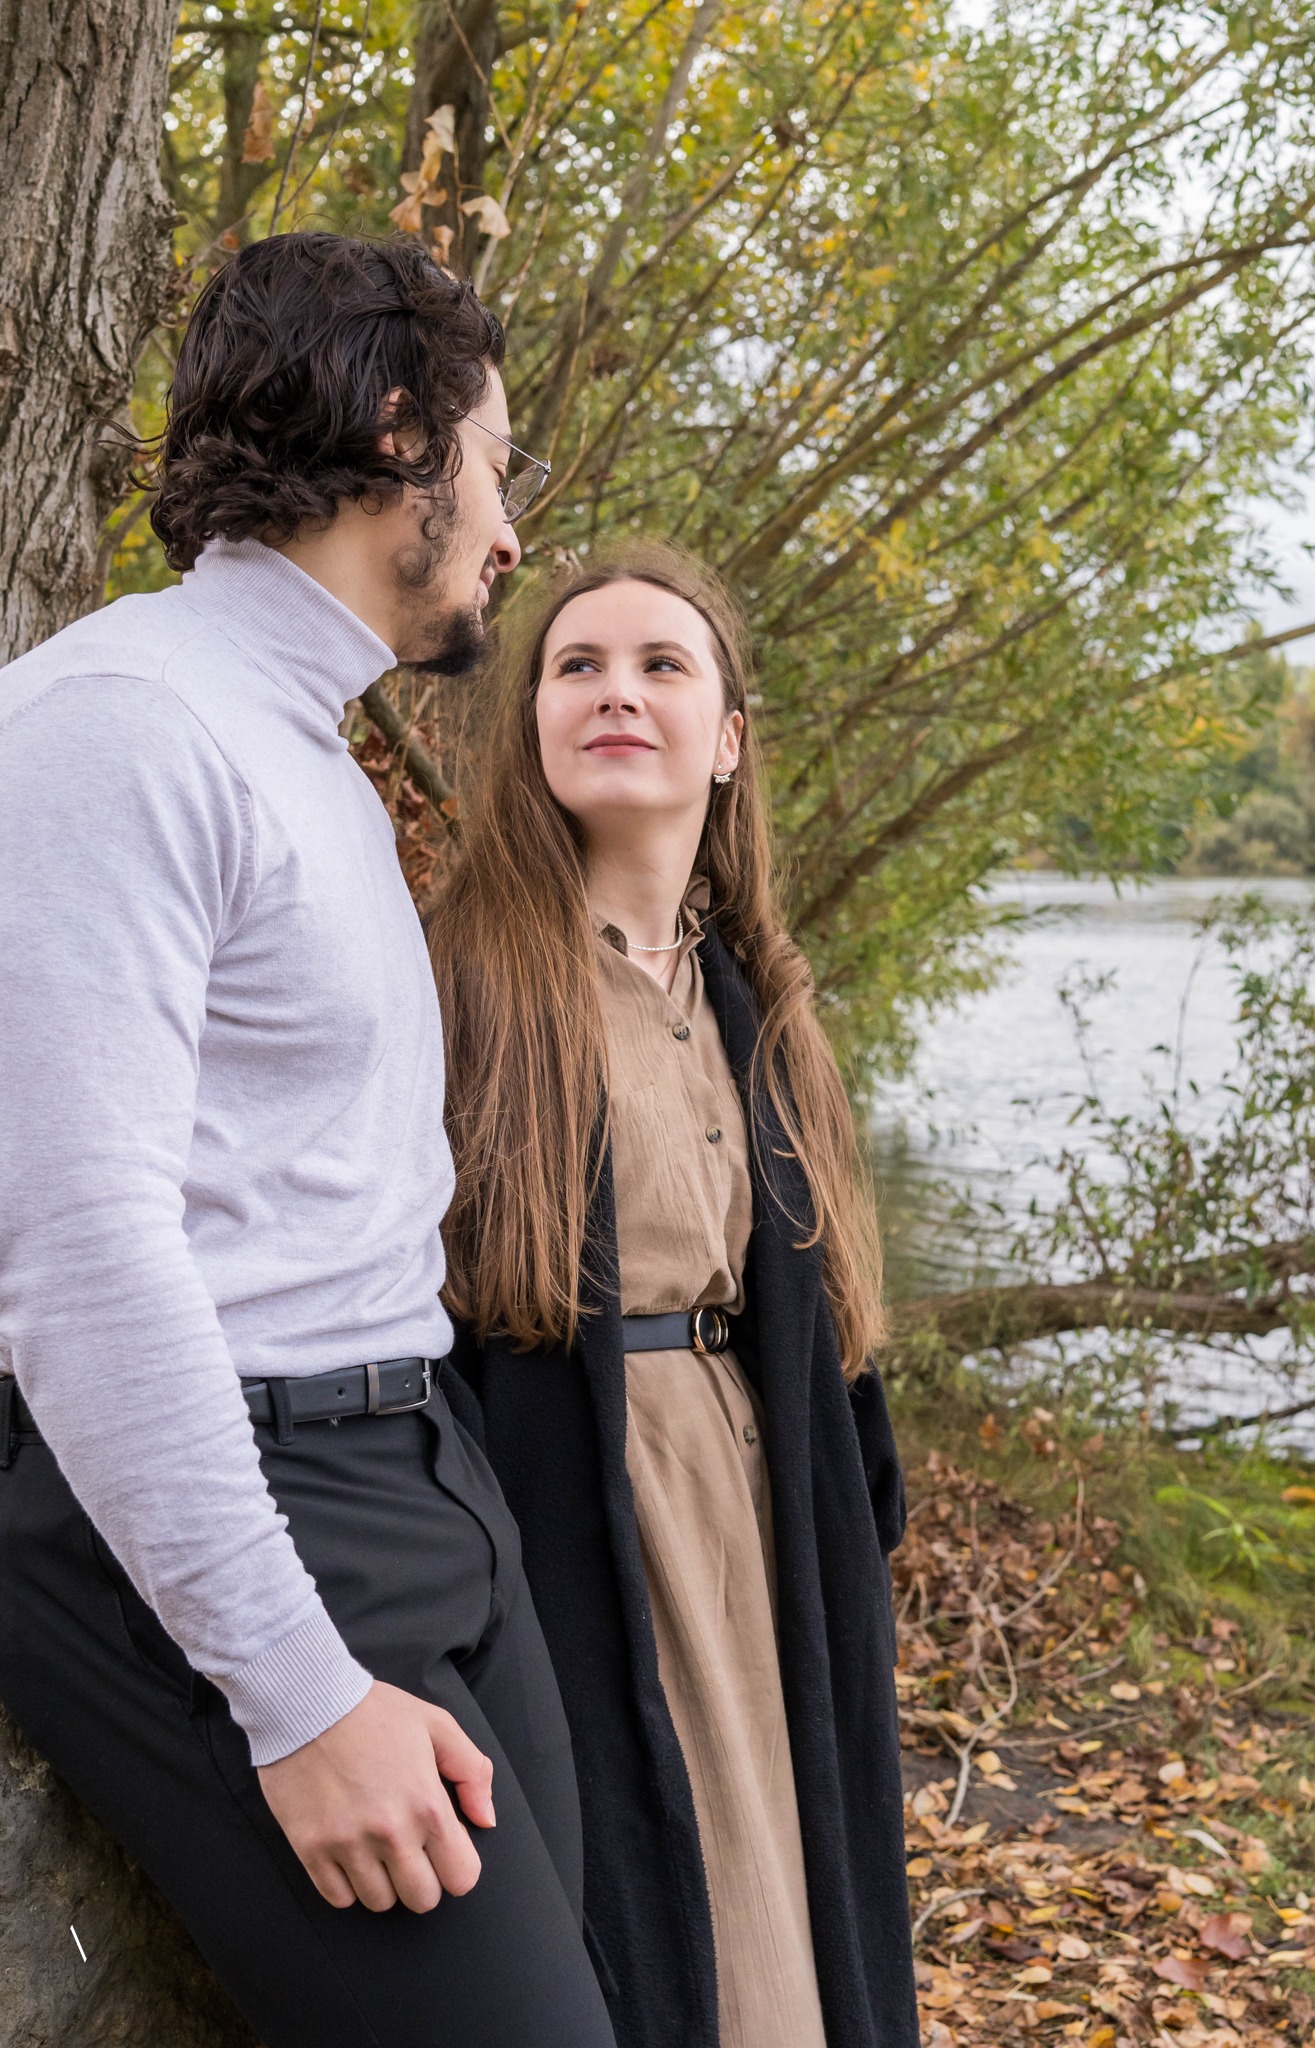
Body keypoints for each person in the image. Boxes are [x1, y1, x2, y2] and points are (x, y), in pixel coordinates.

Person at [0, 232, 616, 2048]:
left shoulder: (303, 744)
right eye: (502, 465)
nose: (511, 531)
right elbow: (77, 1248)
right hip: (244, 1503)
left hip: (418, 1475)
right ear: (401, 435)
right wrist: (290, 1693)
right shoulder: (123, 724)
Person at [429, 538, 920, 2048]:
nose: (615, 692)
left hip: (770, 1504)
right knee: (676, 1940)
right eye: (575, 665)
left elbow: (832, 1313)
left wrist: (857, 1499)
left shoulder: (760, 994)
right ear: (530, 724)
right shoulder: (457, 977)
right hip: (579, 1499)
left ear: (729, 741)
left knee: (807, 1901)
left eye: (662, 666)